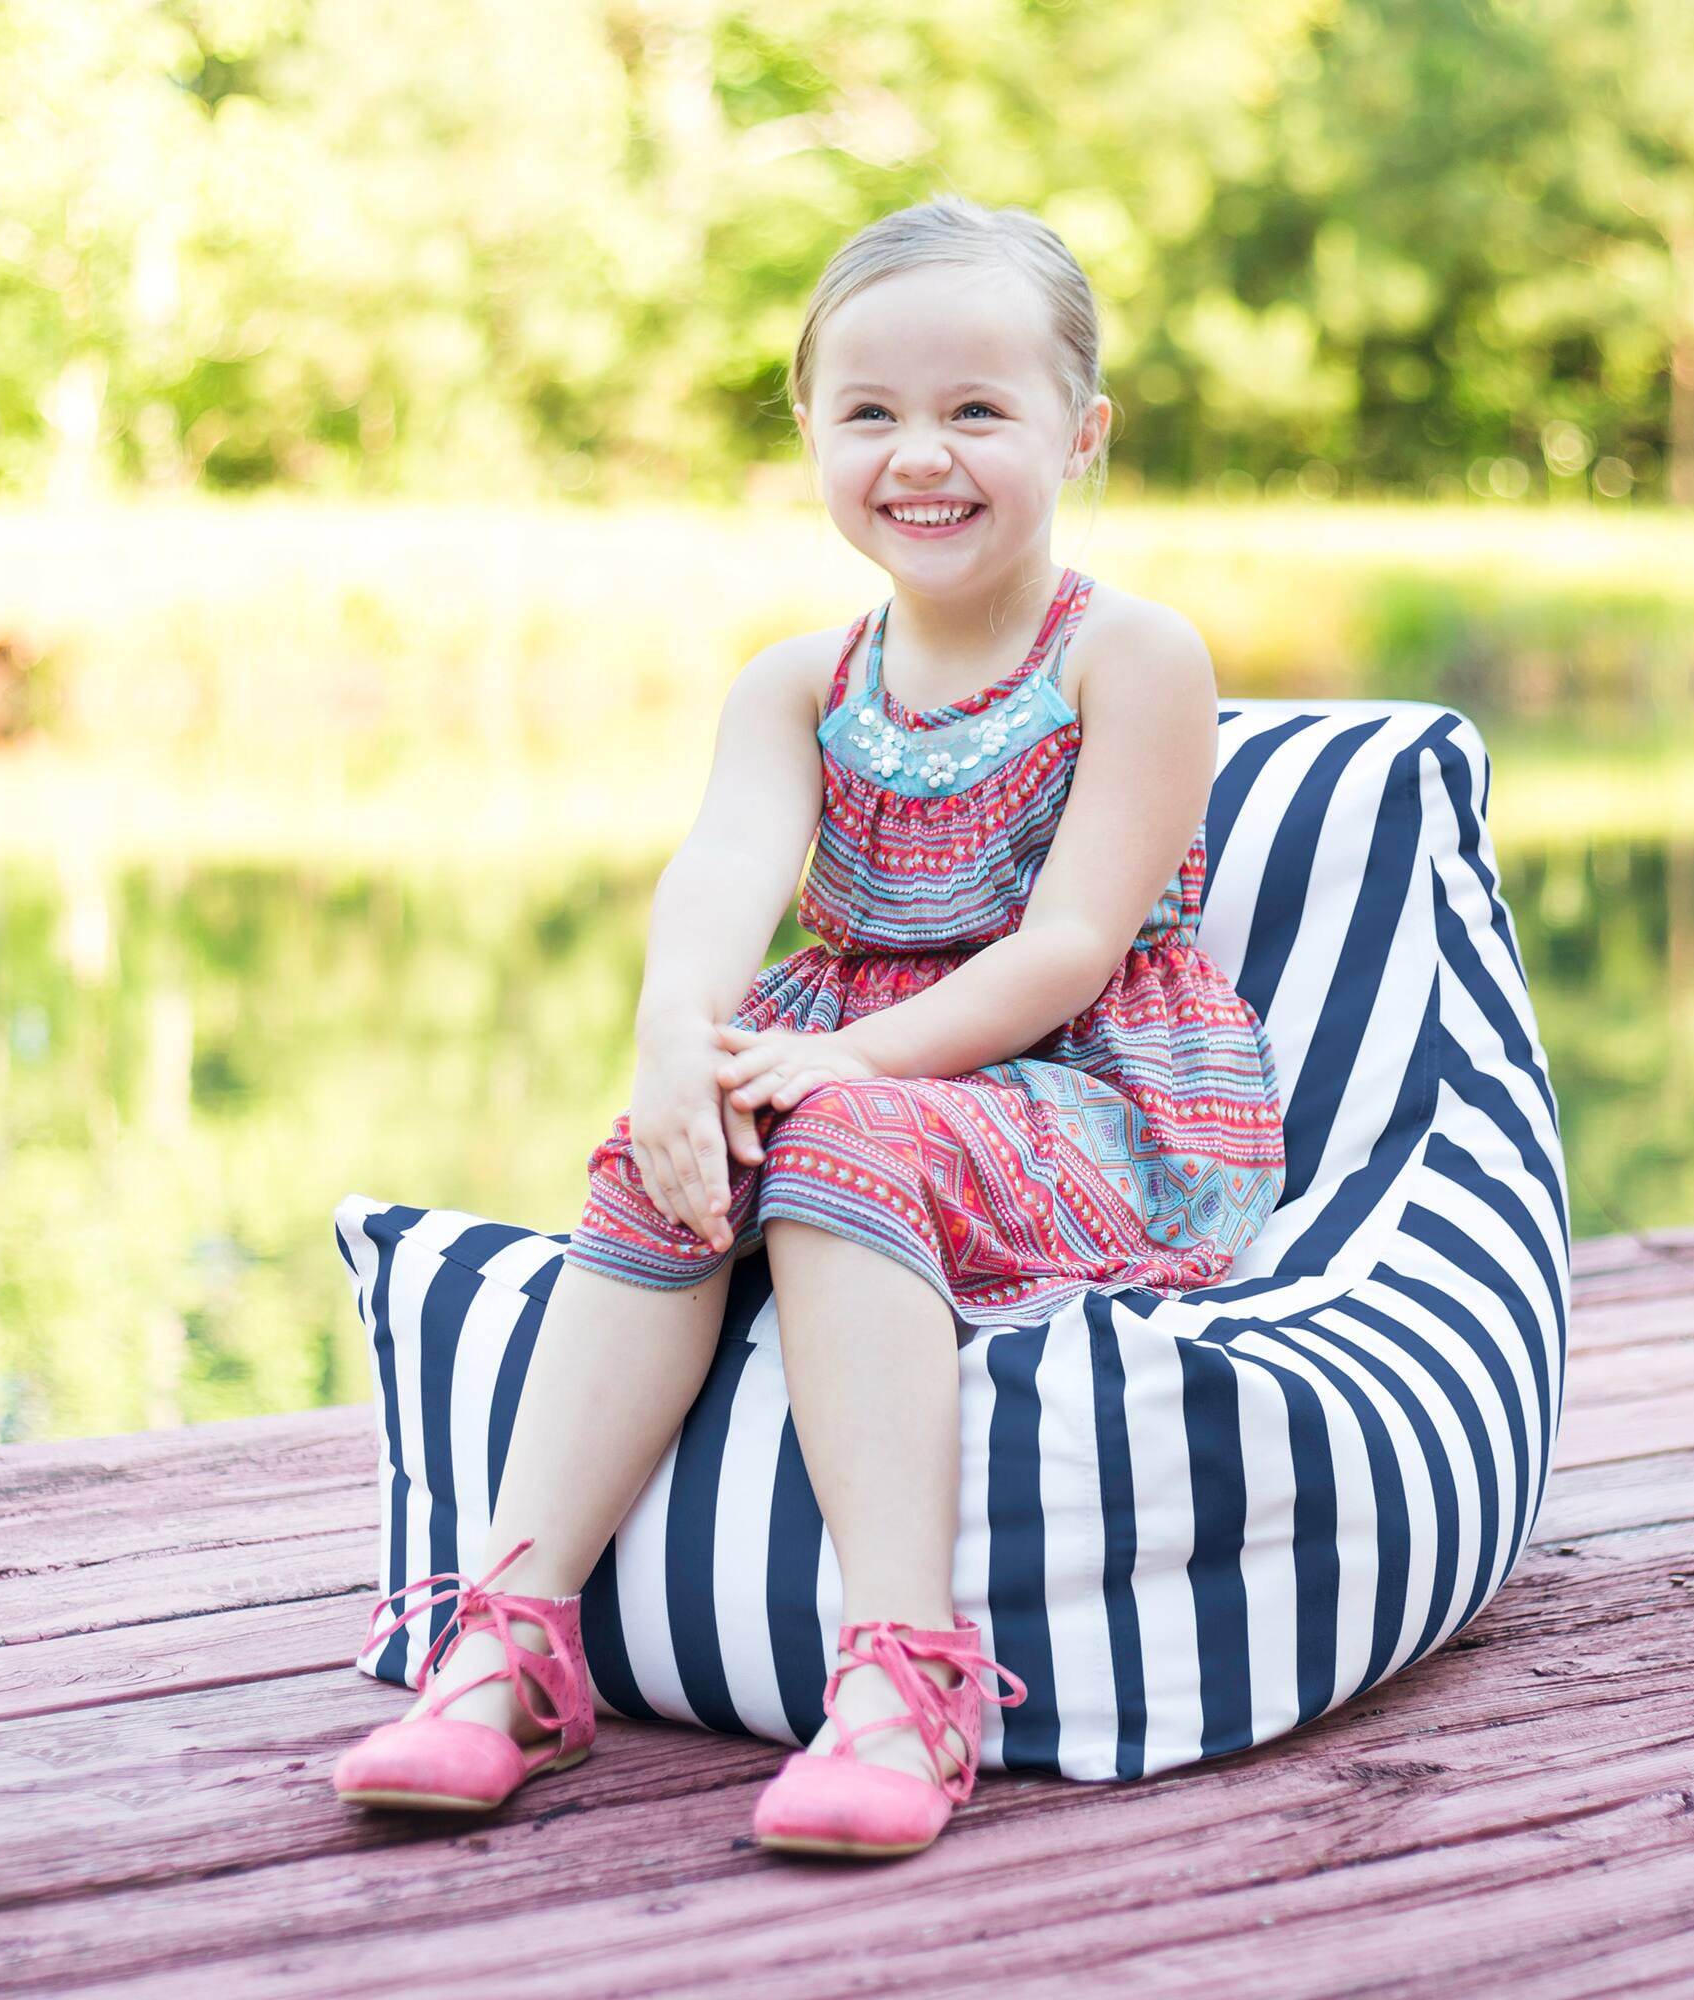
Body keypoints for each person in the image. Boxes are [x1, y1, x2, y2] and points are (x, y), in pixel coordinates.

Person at [330, 192, 1287, 1859]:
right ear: (813, 436)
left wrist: (842, 1061)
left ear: (1083, 432)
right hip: (861, 1069)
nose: (921, 454)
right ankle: (512, 1637)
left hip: (1088, 1101)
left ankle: (906, 1672)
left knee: (825, 1122)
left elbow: (1068, 946)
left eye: (977, 410)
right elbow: (722, 874)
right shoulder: (798, 679)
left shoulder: (1128, 658)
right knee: (668, 1140)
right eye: (871, 414)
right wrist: (673, 1036)